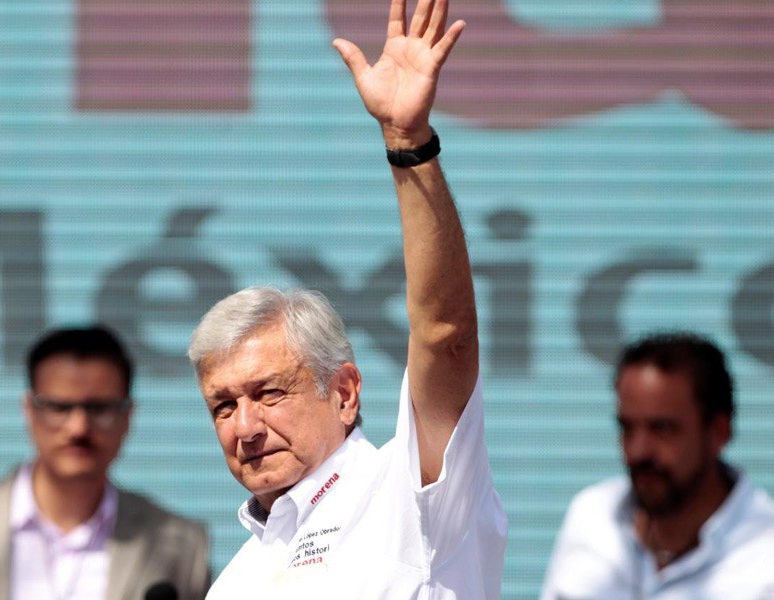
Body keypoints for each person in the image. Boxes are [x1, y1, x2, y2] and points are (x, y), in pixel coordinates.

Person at [187, 0, 507, 597]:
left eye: (269, 393)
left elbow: (445, 334)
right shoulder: (233, 582)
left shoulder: (408, 496)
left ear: (344, 392)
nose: (246, 427)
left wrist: (408, 143)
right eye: (223, 406)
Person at [0, 325, 210, 600]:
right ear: (29, 409)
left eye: (99, 409)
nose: (78, 428)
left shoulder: (181, 543)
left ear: (128, 416)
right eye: (59, 407)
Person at [540, 332, 774, 600]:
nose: (638, 451)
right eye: (627, 427)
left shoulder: (765, 557)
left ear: (718, 432)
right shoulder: (592, 516)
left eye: (662, 428)